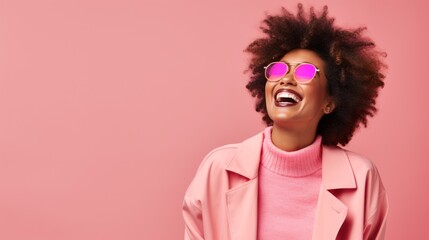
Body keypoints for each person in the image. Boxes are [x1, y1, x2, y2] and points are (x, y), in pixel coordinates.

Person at [182, 4, 388, 240]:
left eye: (305, 73)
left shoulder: (362, 178)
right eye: (279, 70)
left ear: (330, 102)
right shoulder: (217, 170)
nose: (286, 79)